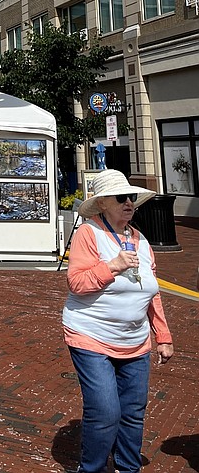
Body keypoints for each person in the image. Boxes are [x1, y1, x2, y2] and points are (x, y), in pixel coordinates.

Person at [63, 169, 174, 473]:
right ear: (102, 204)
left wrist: (163, 335)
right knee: (105, 412)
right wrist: (111, 266)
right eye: (121, 197)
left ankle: (128, 469)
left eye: (132, 198)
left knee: (133, 412)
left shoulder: (141, 240)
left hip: (135, 341)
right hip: (91, 334)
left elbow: (151, 291)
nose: (129, 203)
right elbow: (77, 283)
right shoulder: (89, 232)